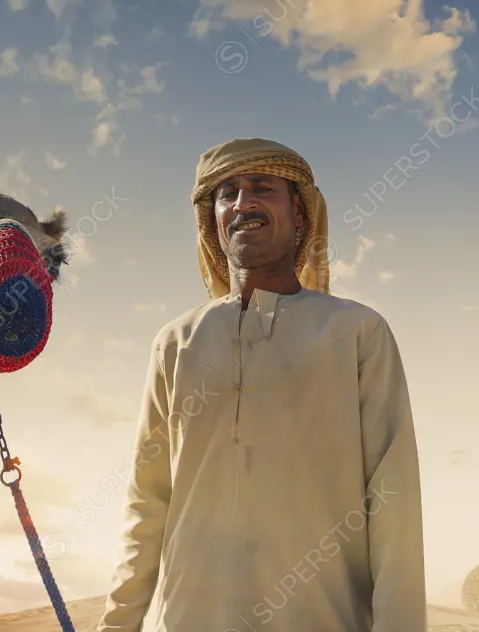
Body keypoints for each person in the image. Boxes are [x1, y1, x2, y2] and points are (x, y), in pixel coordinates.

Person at [95, 138, 426, 631]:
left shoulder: (357, 333)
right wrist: (117, 625)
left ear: (299, 214)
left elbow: (393, 500)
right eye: (227, 193)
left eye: (262, 188)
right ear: (212, 221)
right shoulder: (176, 344)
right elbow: (148, 500)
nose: (242, 203)